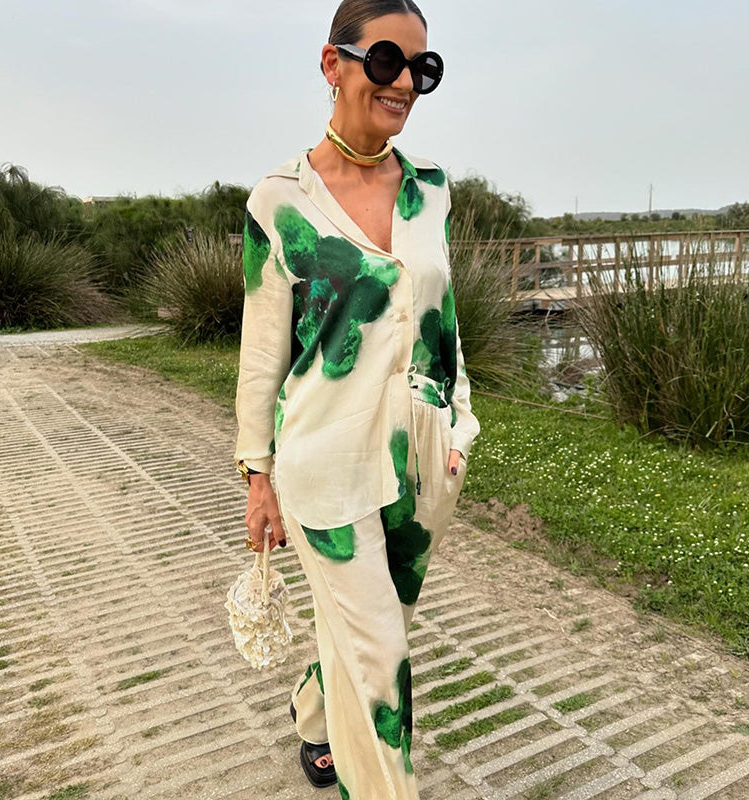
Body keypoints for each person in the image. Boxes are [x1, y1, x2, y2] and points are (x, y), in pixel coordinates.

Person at [234, 1, 480, 797]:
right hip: (323, 463)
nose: (404, 82)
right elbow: (262, 353)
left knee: (381, 624)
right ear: (332, 63)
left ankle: (313, 710)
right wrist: (257, 475)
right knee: (382, 669)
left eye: (422, 68)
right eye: (385, 60)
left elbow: (444, 321)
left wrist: (460, 423)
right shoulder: (279, 202)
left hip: (423, 454)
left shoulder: (432, 190)